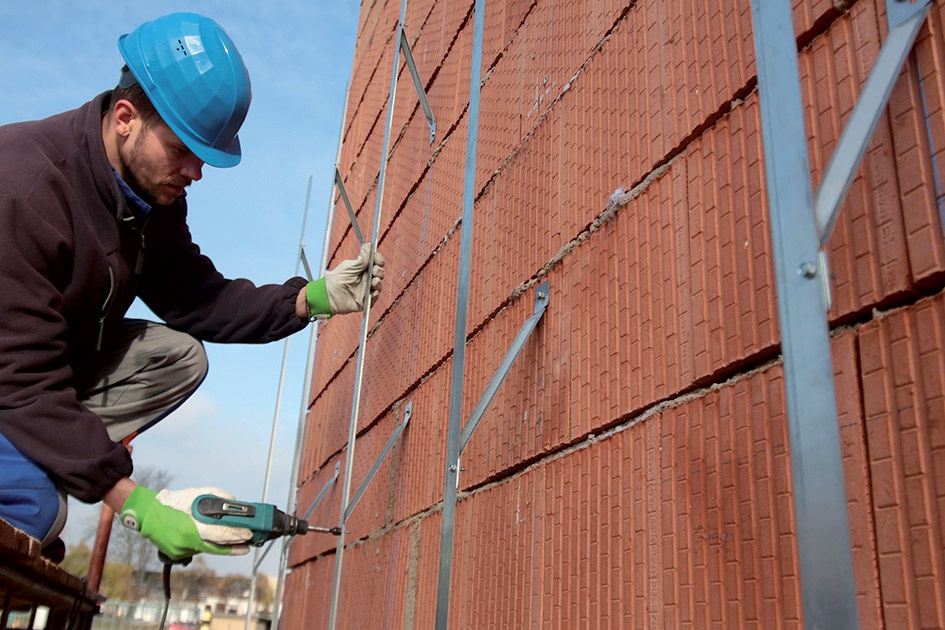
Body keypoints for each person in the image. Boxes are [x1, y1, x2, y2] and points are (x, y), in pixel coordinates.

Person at [0, 12, 384, 562]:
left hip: (32, 376)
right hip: (11, 379)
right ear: (126, 116)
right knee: (34, 512)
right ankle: (36, 469)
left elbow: (197, 298)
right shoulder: (25, 188)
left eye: (203, 157)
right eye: (182, 150)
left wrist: (309, 298)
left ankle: (43, 456)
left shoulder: (145, 199)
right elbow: (20, 381)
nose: (195, 173)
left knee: (177, 357)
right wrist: (134, 502)